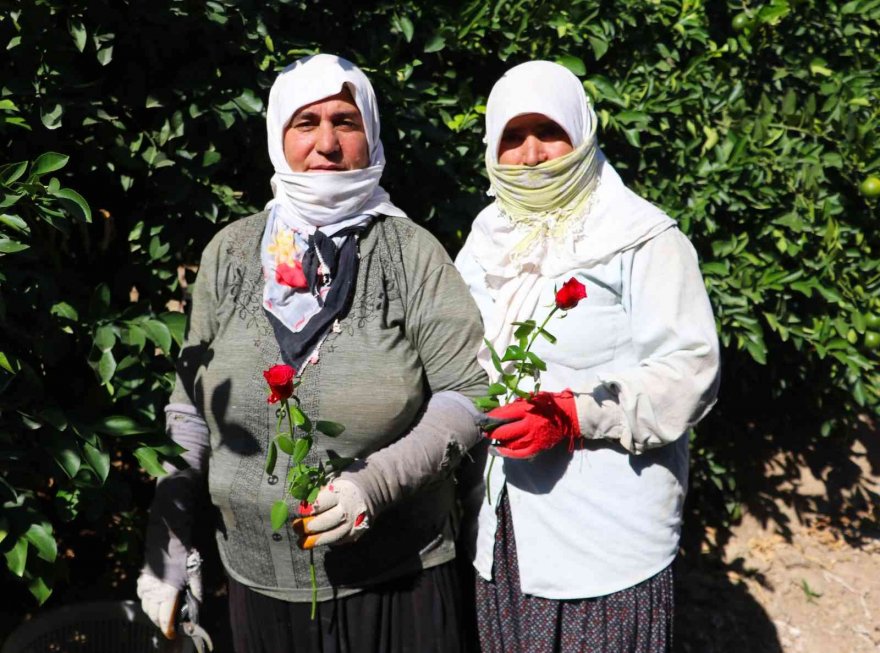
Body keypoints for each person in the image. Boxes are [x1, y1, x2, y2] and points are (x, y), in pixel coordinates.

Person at [136, 53, 487, 653]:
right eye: (306, 123)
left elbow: (469, 392)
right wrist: (167, 550)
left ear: (370, 134)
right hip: (256, 583)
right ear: (278, 135)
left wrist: (372, 486)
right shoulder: (232, 252)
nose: (326, 143)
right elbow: (191, 411)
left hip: (397, 579)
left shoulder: (410, 253)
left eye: (345, 121)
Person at [454, 61, 721, 652]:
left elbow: (691, 370)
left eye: (548, 132)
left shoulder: (643, 237)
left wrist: (575, 414)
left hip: (605, 542)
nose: (531, 155)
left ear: (582, 132)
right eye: (513, 137)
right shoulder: (486, 236)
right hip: (507, 533)